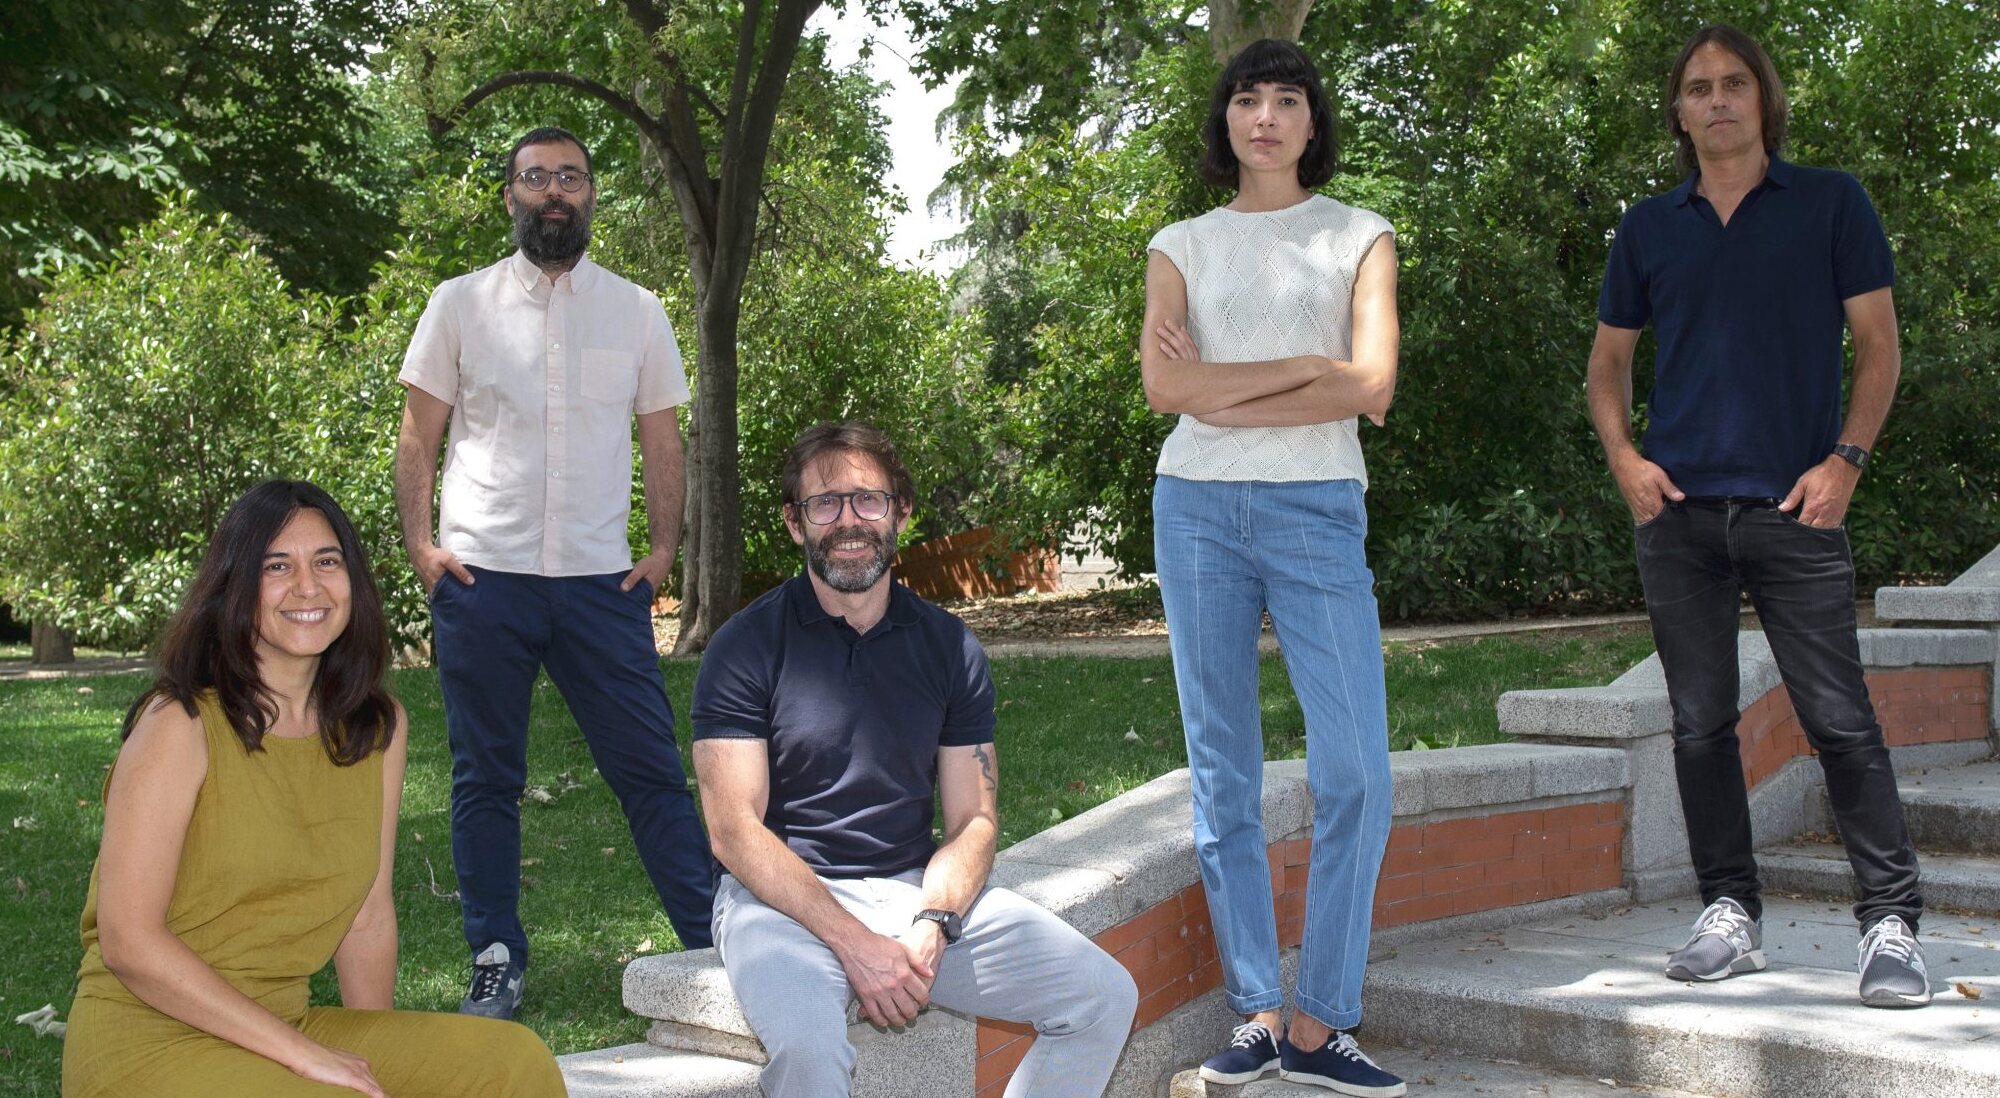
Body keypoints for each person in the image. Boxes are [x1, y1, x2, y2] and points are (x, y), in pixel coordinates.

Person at [1586, 24, 1928, 1008]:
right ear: (1679, 110)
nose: (1716, 99)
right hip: (1678, 515)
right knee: (1697, 725)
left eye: (1733, 83)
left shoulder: (1828, 203)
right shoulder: (1649, 228)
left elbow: (1877, 346)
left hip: (1796, 511)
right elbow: (1605, 364)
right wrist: (1623, 459)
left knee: (1838, 721)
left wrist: (1845, 463)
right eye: (1697, 87)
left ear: (1761, 99)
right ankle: (1727, 913)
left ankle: (1888, 923)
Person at [61, 480, 566, 1098]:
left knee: (512, 1061)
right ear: (235, 587)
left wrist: (378, 1064)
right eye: (277, 566)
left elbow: (367, 918)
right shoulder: (181, 724)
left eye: (327, 561)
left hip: (283, 1022)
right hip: (145, 1041)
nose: (307, 586)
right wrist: (305, 1056)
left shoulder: (374, 729)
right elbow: (128, 942)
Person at [689, 422, 1138, 1098]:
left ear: (900, 512)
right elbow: (733, 831)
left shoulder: (949, 648)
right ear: (794, 523)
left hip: (913, 892)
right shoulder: (745, 648)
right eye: (825, 503)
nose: (849, 522)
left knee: (1103, 995)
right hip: (777, 904)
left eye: (869, 500)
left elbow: (973, 820)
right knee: (812, 1057)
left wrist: (935, 920)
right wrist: (855, 943)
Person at [394, 124, 715, 1020]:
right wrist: (423, 550)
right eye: (535, 178)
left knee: (649, 769)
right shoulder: (458, 304)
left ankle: (714, 943)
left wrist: (661, 555)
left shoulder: (638, 311)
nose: (554, 192)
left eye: (570, 177)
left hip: (599, 586)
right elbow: (419, 436)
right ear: (510, 196)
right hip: (481, 579)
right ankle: (495, 954)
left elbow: (663, 441)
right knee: (484, 777)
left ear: (592, 195)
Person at [1139, 37, 1404, 1097]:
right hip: (1193, 508)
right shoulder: (1179, 244)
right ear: (1226, 120)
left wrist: (1225, 382)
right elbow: (1166, 395)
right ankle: (1254, 1010)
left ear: (1310, 120)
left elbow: (1373, 382)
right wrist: (1307, 366)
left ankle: (1319, 1019)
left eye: (1284, 99)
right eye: (1245, 99)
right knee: (1223, 774)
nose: (1263, 117)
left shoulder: (1358, 235)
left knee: (1356, 772)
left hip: (1314, 509)